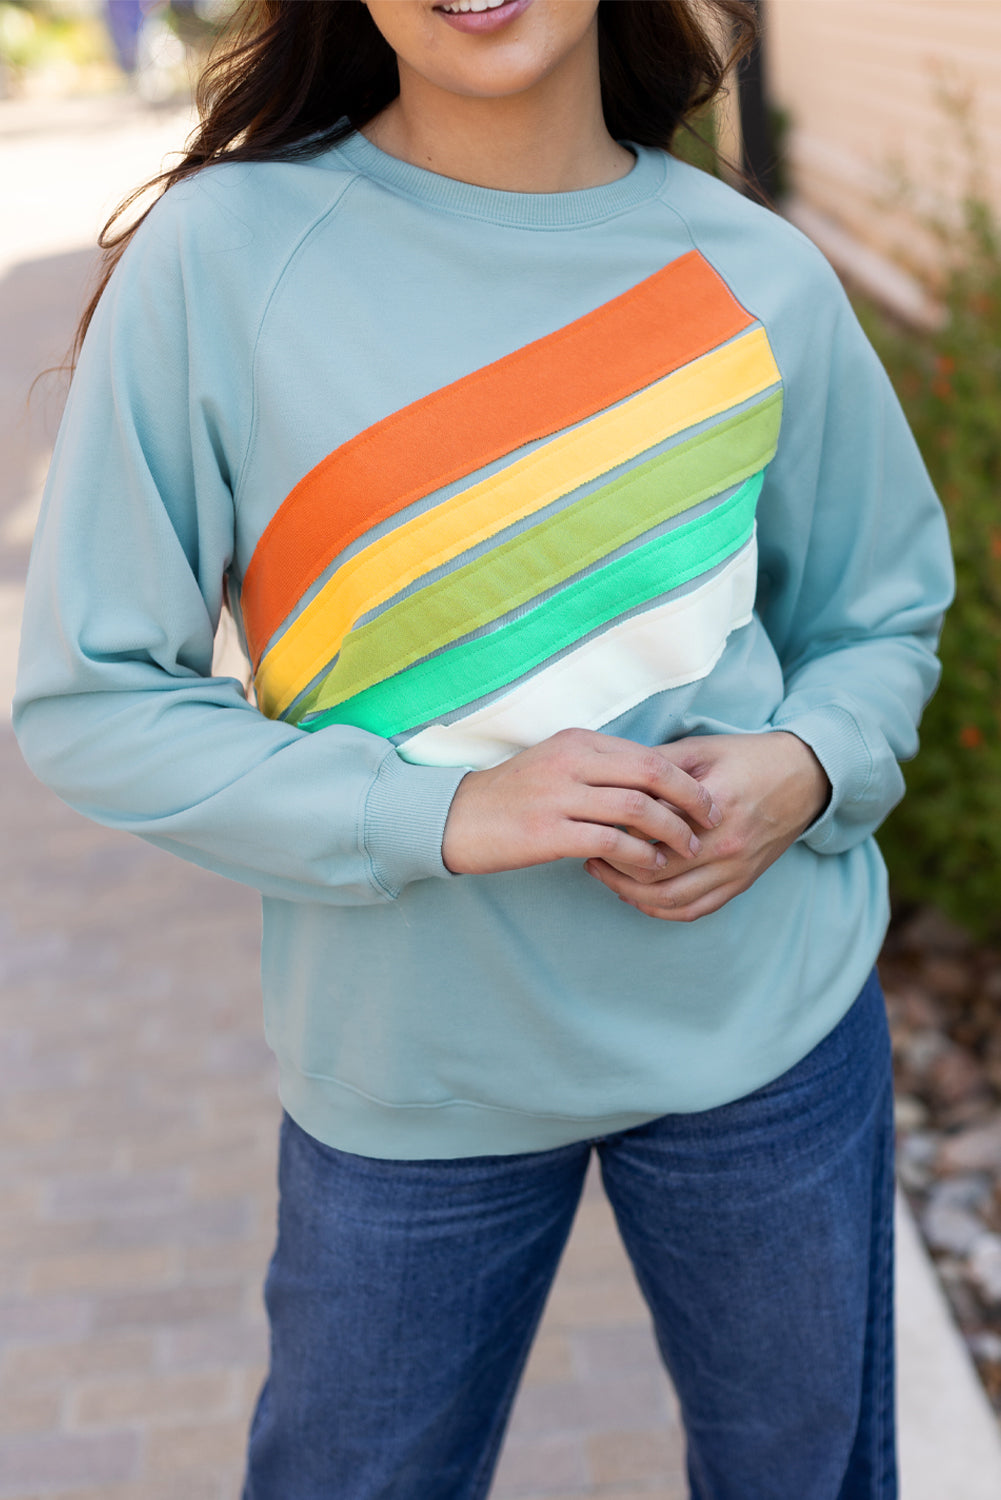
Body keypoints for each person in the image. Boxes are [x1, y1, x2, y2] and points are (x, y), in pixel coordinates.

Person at [13, 2, 953, 1496]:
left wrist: (809, 770)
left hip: (763, 1038)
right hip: (409, 1068)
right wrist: (433, 815)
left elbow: (881, 616)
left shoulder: (756, 270)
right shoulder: (229, 257)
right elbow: (92, 695)